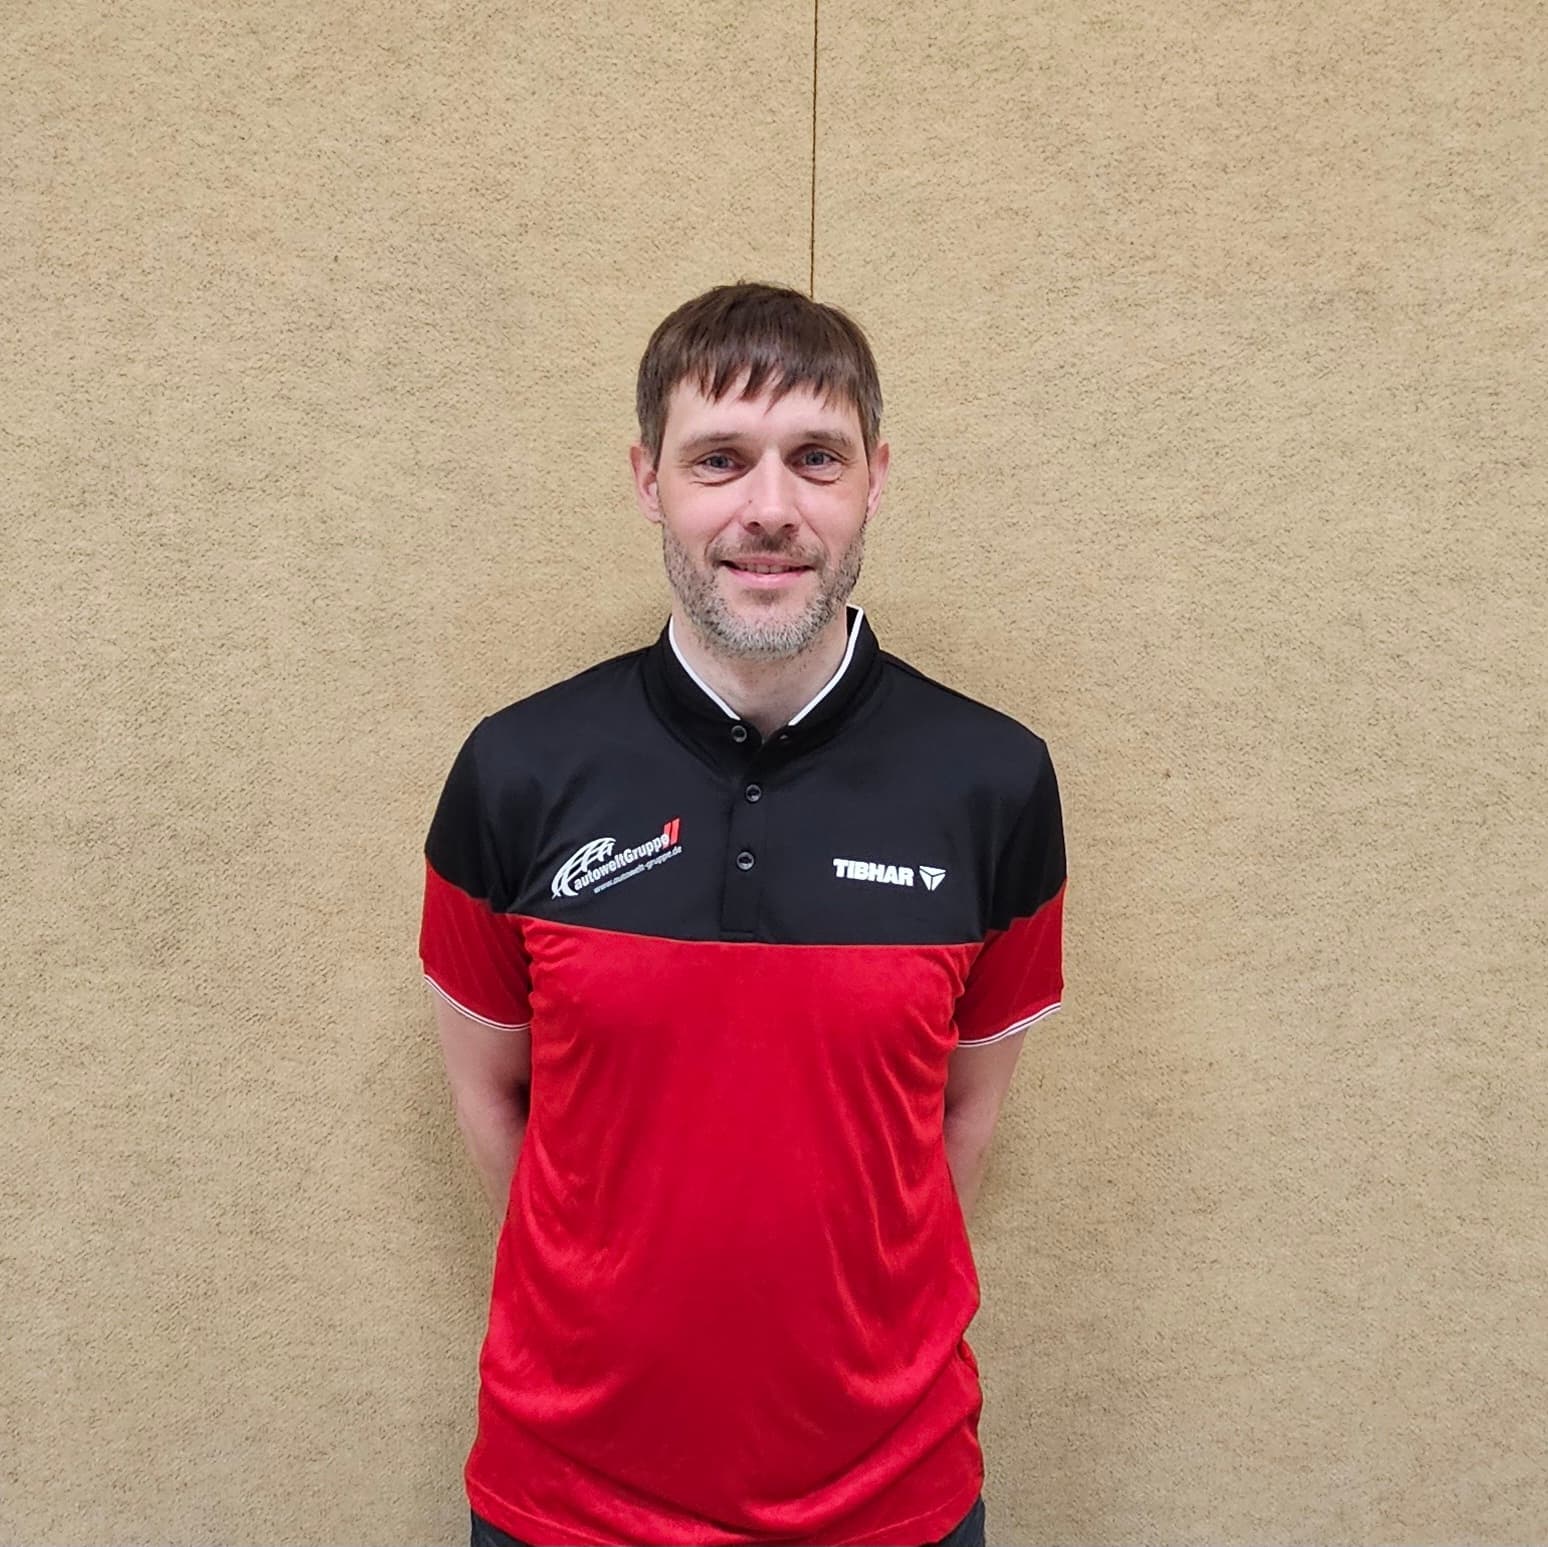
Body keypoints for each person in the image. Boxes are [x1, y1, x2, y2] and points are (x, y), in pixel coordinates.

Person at [418, 282, 1067, 1547]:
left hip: (893, 1500)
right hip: (566, 1500)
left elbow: (963, 1116)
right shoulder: (516, 769)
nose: (769, 507)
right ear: (647, 480)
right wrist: (608, 1298)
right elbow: (492, 1099)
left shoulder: (993, 780)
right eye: (719, 458)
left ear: (875, 478)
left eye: (816, 457)